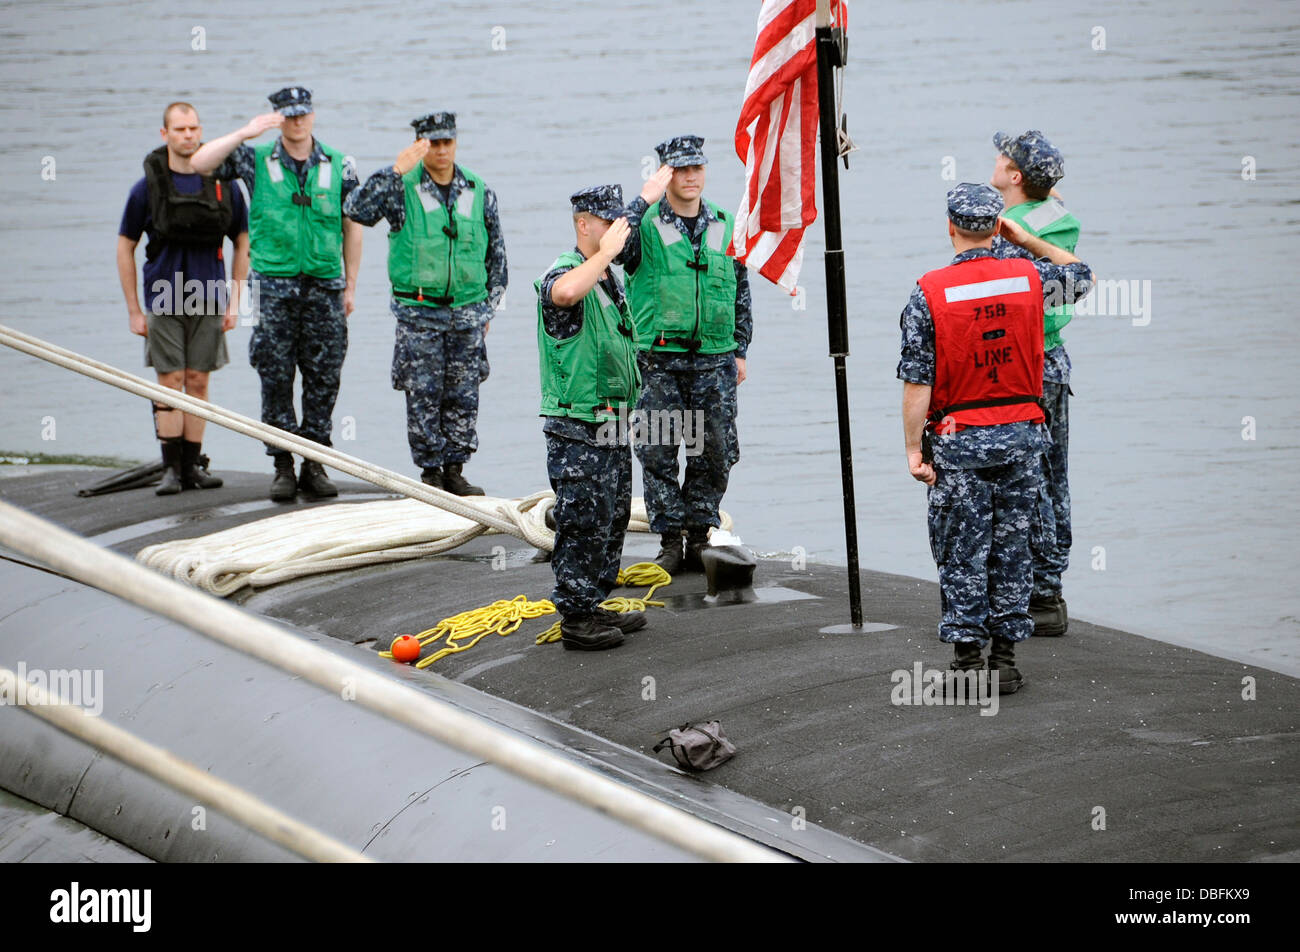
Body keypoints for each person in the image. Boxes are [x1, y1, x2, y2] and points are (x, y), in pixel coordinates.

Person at [897, 183, 1093, 693]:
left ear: (950, 226)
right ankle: (1004, 661)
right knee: (1013, 546)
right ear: (997, 227)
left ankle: (967, 663)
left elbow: (917, 382)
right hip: (1022, 437)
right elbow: (1081, 274)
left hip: (959, 438)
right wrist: (1026, 239)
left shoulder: (929, 291)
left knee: (962, 548)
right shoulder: (1029, 277)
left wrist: (914, 449)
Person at [189, 87, 362, 501]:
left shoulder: (340, 164)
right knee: (275, 375)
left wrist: (351, 283)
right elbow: (200, 163)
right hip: (274, 287)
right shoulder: (256, 160)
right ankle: (282, 464)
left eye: (303, 114)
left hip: (325, 286)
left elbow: (352, 226)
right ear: (278, 118)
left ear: (313, 116)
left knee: (323, 379)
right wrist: (244, 133)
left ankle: (315, 463)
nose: (297, 122)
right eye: (288, 116)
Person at [344, 112, 505, 495]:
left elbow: (496, 256)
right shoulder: (401, 189)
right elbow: (356, 211)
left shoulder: (477, 189)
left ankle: (456, 471)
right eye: (433, 143)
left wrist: (490, 308)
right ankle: (431, 474)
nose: (442, 150)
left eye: (448, 142)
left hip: (468, 313)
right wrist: (394, 171)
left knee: (464, 395)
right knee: (423, 395)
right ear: (419, 145)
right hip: (420, 315)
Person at [619, 136, 751, 574]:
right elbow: (614, 246)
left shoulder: (726, 223)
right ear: (664, 174)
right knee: (658, 450)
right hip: (658, 361)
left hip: (714, 359)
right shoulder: (643, 228)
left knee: (715, 449)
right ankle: (669, 539)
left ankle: (699, 534)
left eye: (697, 168)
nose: (691, 176)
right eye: (680, 169)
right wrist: (643, 199)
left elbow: (740, 291)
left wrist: (741, 349)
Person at [116, 101, 248, 495]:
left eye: (193, 129)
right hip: (163, 294)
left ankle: (193, 465)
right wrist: (133, 310)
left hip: (208, 293)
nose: (188, 136)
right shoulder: (147, 188)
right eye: (179, 130)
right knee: (169, 381)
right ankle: (171, 468)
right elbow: (125, 246)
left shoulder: (224, 184)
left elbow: (242, 242)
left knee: (198, 381)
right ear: (165, 135)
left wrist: (236, 302)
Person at [535, 186, 646, 651]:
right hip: (577, 424)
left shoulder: (606, 280)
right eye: (608, 223)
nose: (617, 232)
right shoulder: (566, 272)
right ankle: (576, 618)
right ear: (584, 224)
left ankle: (593, 599)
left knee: (611, 514)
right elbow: (563, 293)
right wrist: (604, 256)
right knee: (582, 517)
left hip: (612, 422)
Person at [990, 130, 1079, 636]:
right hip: (1054, 360)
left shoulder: (1010, 236)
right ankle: (1050, 589)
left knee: (1026, 479)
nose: (997, 161)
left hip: (1021, 366)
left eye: (1003, 159)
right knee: (1054, 474)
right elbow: (1048, 207)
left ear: (1016, 176)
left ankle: (1038, 593)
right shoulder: (1057, 218)